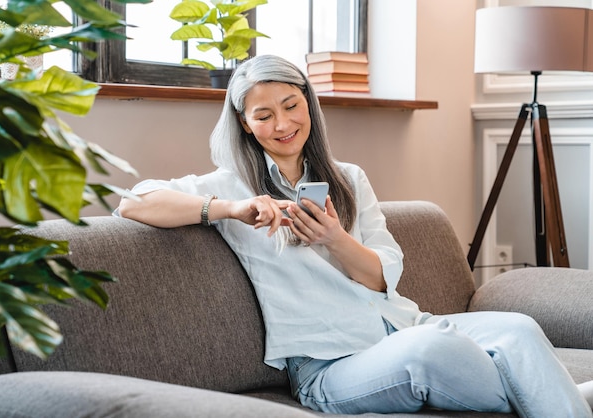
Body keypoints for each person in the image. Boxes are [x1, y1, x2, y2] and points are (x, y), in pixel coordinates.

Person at [117, 54, 593, 417]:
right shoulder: (229, 185)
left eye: (290, 106)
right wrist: (231, 209)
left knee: (517, 327)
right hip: (329, 367)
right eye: (263, 115)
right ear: (244, 123)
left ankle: (559, 400)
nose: (282, 124)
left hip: (402, 324)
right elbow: (133, 202)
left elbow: (381, 278)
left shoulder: (349, 179)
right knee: (430, 353)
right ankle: (563, 397)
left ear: (309, 104)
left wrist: (334, 238)